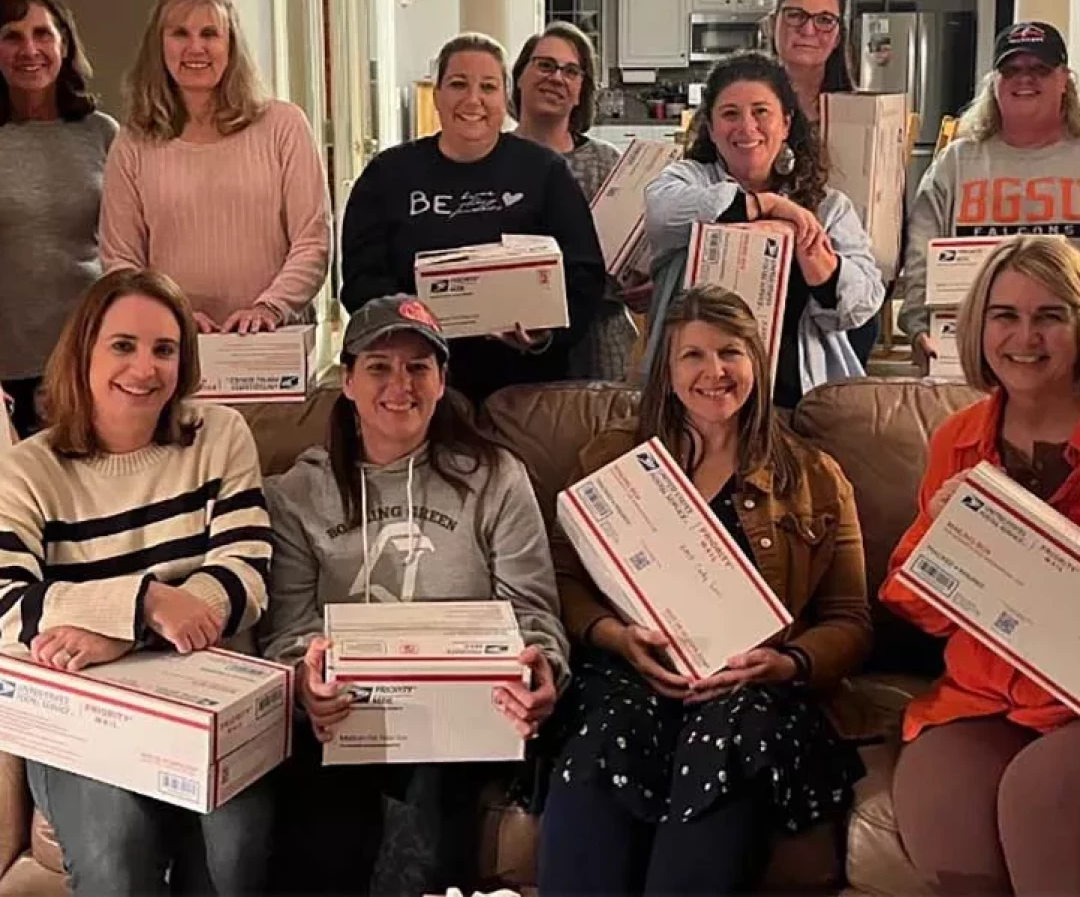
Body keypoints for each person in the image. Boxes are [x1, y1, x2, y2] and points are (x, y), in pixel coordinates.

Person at [538, 285, 872, 895]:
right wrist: (614, 635)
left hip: (751, 690)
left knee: (729, 736)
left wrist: (786, 663)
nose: (713, 372)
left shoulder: (817, 479)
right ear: (667, 369)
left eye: (730, 353)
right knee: (607, 730)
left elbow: (850, 620)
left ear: (757, 363)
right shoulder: (612, 459)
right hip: (630, 676)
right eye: (693, 355)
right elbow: (561, 577)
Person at [260, 293, 568, 894]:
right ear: (346, 380)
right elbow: (288, 630)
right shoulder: (297, 495)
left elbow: (534, 613)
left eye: (418, 367)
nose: (399, 384)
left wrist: (541, 669)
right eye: (379, 366)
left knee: (430, 801)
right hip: (347, 716)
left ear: (442, 380)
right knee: (323, 828)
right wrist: (305, 679)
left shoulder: (497, 477)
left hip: (463, 719)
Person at [0, 267, 274, 895]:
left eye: (165, 349)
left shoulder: (221, 435)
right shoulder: (27, 471)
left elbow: (246, 575)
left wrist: (121, 636)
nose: (144, 369)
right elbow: (7, 606)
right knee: (115, 848)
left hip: (208, 699)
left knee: (235, 850)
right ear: (84, 351)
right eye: (123, 345)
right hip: (81, 712)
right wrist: (146, 603)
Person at [882, 235, 1080, 896]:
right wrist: (944, 536)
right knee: (945, 810)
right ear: (979, 326)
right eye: (1005, 315)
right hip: (980, 698)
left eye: (1050, 315)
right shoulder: (957, 439)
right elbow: (915, 609)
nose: (1025, 336)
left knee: (1039, 797)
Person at [340, 31, 605, 405]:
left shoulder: (545, 172)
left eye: (488, 87)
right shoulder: (388, 175)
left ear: (505, 97)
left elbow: (585, 275)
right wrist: (415, 324)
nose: (473, 100)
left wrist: (546, 333)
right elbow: (359, 281)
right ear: (437, 95)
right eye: (458, 84)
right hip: (417, 384)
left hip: (523, 387)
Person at [644, 50, 884, 409]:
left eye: (761, 112)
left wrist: (814, 255)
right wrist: (766, 206)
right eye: (730, 114)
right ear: (710, 128)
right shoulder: (688, 179)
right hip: (696, 400)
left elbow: (863, 306)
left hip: (797, 400)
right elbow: (663, 214)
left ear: (786, 123)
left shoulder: (828, 206)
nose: (746, 127)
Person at [99, 0, 331, 334]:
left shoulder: (283, 125)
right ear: (158, 46)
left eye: (210, 34)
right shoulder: (132, 141)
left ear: (231, 45)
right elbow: (120, 260)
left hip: (273, 338)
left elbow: (312, 240)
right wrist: (171, 316)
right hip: (172, 341)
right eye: (180, 33)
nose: (196, 47)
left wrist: (269, 307)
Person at [900, 21, 1080, 372]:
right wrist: (919, 325)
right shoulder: (956, 162)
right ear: (994, 83)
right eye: (1011, 70)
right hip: (969, 352)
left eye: (1039, 69)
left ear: (1064, 80)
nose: (1024, 79)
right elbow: (921, 248)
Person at [0, 0, 117, 437]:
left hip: (92, 357)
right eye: (12, 36)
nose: (29, 49)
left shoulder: (102, 134)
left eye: (42, 34)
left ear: (64, 44)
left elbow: (129, 242)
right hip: (10, 369)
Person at [512, 22, 647, 381]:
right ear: (520, 77)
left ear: (580, 92)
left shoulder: (610, 164)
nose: (557, 77)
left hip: (600, 343)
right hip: (514, 341)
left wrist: (646, 281)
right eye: (545, 65)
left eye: (571, 71)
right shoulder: (494, 162)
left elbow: (639, 257)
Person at [767, 0, 879, 367]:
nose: (808, 29)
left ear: (838, 32)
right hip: (760, 279)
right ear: (774, 22)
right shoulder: (741, 106)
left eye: (824, 19)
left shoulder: (864, 117)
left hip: (840, 283)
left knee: (834, 412)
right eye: (795, 15)